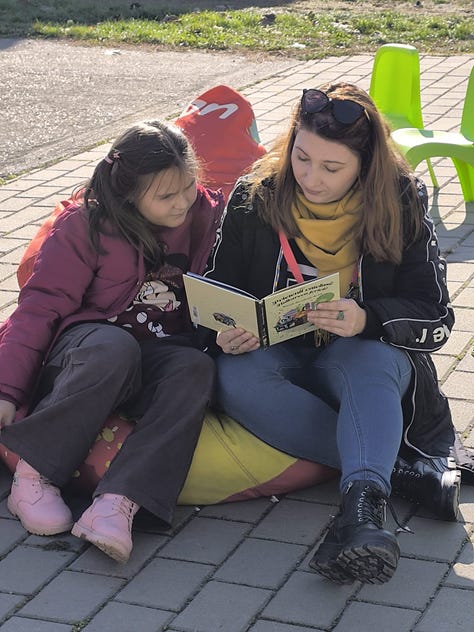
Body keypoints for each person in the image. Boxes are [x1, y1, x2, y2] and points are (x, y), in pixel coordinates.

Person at [204, 82, 462, 585]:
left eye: (331, 168)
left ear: (366, 167)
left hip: (355, 358)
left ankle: (362, 514)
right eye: (301, 158)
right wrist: (224, 328)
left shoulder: (402, 199)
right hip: (273, 359)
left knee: (374, 359)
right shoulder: (254, 192)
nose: (310, 178)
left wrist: (367, 318)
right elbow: (217, 281)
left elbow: (436, 318)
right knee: (232, 377)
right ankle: (401, 475)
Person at [0, 120, 224, 563]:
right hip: (85, 352)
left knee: (194, 369)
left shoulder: (205, 214)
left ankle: (116, 502)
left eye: (189, 186)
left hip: (160, 350)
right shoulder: (83, 226)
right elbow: (40, 308)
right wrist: (6, 389)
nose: (182, 201)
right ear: (127, 194)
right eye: (165, 195)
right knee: (113, 348)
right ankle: (34, 474)